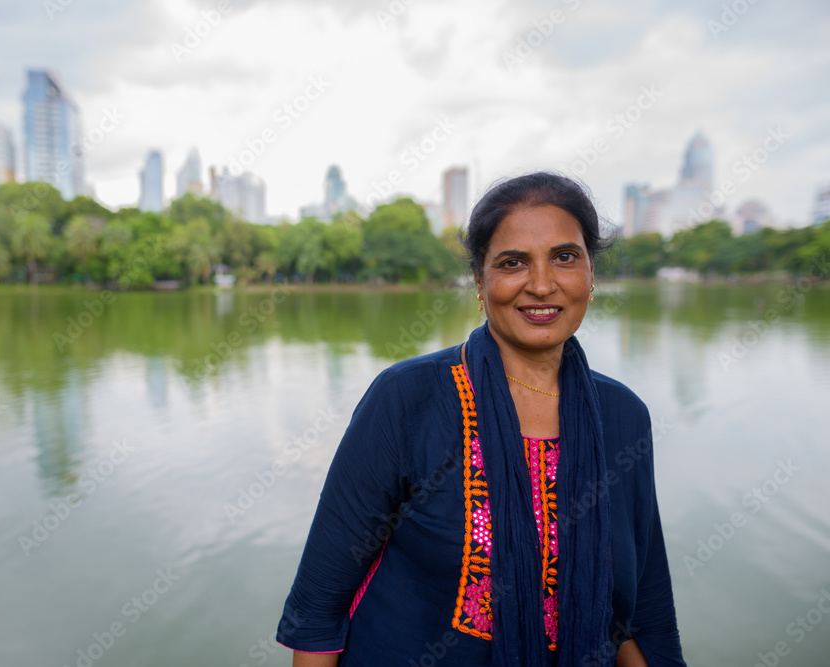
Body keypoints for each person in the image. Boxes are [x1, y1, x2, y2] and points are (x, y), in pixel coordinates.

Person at [275, 172, 685, 666]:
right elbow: (320, 608)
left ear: (590, 273)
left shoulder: (622, 417)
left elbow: (641, 610)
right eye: (513, 263)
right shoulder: (408, 399)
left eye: (565, 257)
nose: (540, 284)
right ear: (479, 279)